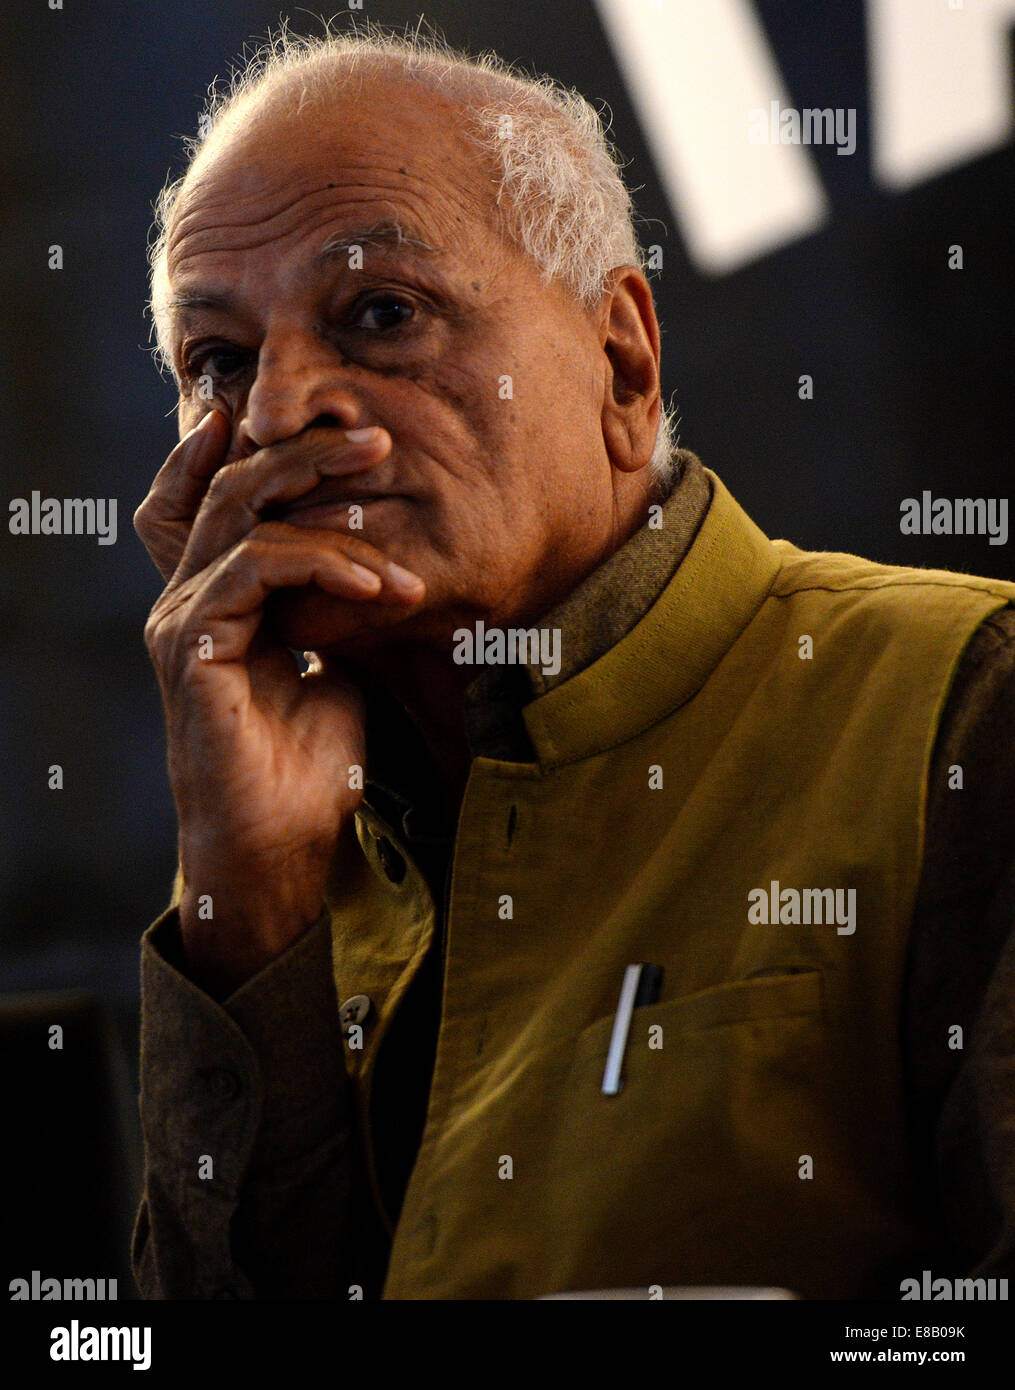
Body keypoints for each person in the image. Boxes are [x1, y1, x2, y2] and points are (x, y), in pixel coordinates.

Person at [131, 27, 1015, 1300]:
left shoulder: (963, 703)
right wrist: (246, 903)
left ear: (621, 362)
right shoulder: (276, 833)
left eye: (381, 313)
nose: (272, 415)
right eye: (218, 360)